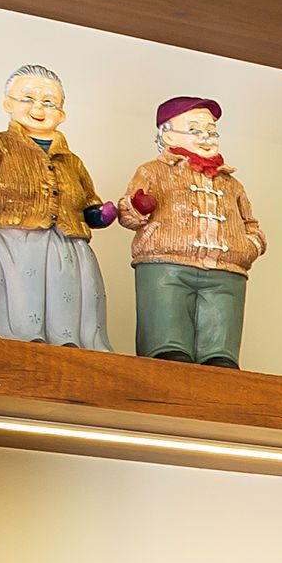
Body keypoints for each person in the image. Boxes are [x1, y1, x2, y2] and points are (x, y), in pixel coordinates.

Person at [0, 66, 118, 350]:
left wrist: (103, 215)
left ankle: (63, 342)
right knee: (17, 295)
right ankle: (18, 338)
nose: (39, 107)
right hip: (9, 242)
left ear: (61, 114)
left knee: (61, 301)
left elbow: (86, 208)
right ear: (7, 103)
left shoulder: (72, 162)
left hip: (65, 249)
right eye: (28, 98)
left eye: (49, 102)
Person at [115, 96, 267, 367]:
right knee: (166, 319)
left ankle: (218, 353)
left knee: (222, 325)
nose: (206, 137)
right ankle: (167, 348)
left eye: (211, 131)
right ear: (167, 134)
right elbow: (128, 216)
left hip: (226, 268)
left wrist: (251, 245)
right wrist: (138, 206)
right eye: (195, 130)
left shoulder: (231, 183)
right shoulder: (152, 171)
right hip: (167, 263)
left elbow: (249, 222)